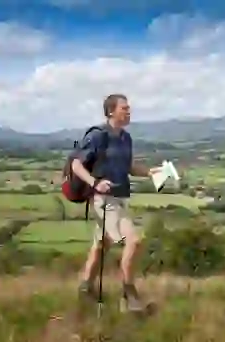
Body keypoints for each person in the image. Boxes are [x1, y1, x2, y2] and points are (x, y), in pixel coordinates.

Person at [72, 93, 160, 312]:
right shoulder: (98, 136)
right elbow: (76, 165)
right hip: (104, 200)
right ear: (111, 111)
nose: (129, 112)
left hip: (121, 197)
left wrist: (149, 172)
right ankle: (129, 296)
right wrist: (95, 183)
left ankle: (85, 288)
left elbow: (128, 166)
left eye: (129, 108)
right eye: (124, 108)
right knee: (135, 240)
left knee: (101, 245)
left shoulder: (125, 138)